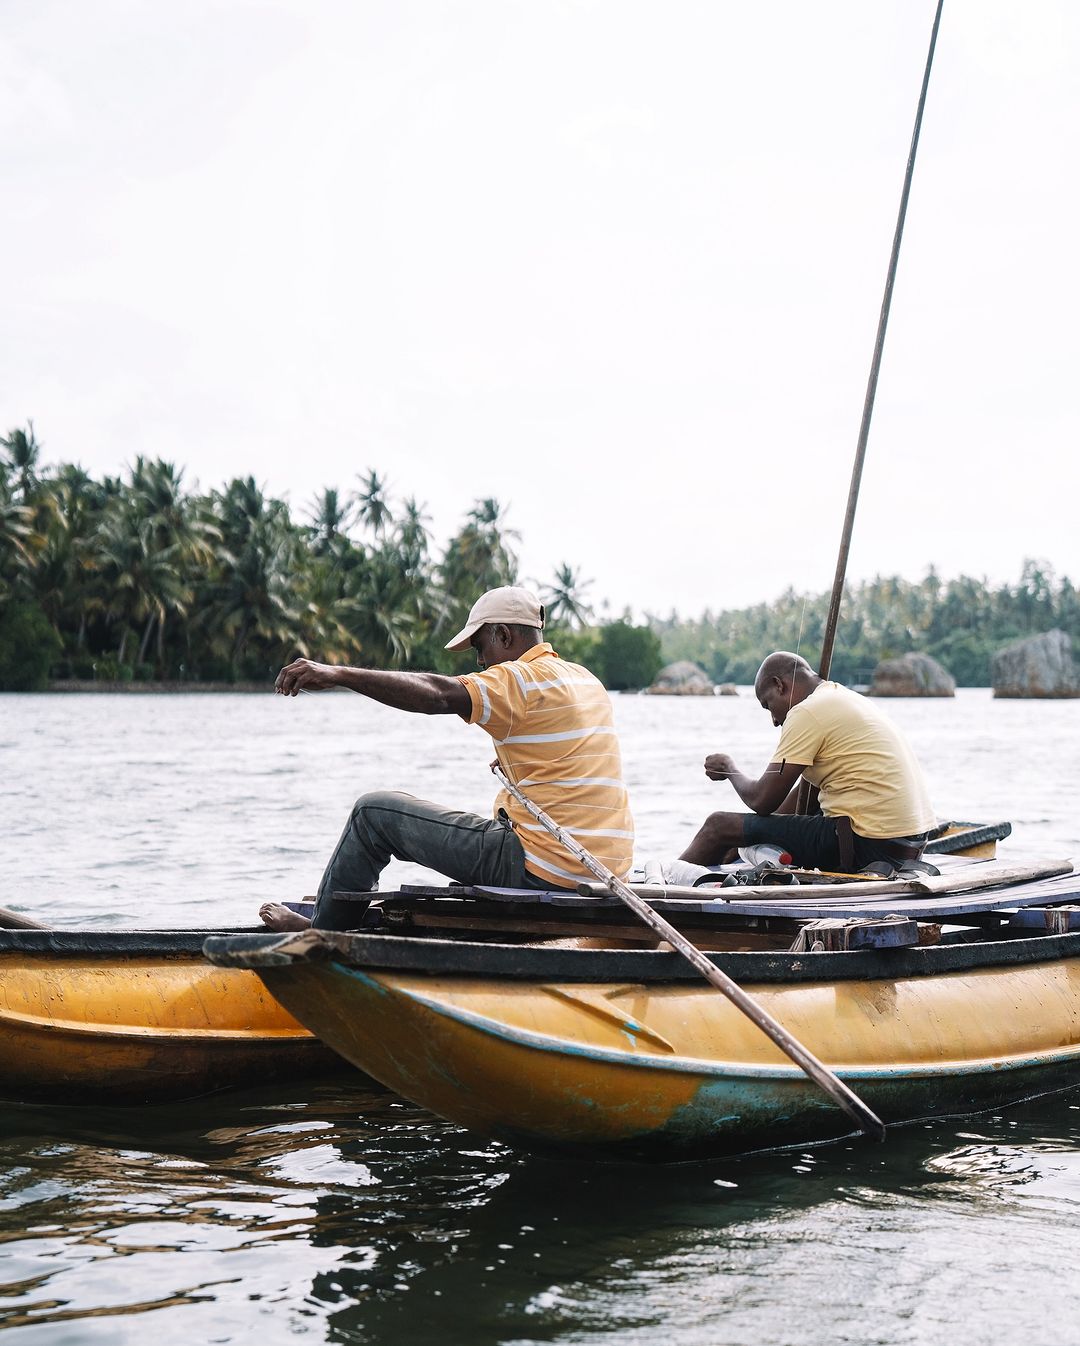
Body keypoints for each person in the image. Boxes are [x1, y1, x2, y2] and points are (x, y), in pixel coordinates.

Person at [258, 585, 634, 930]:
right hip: (605, 870)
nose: (482, 661)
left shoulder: (517, 679)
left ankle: (322, 932)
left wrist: (340, 674)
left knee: (373, 814)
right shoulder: (585, 680)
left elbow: (438, 694)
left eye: (480, 648)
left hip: (543, 867)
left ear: (503, 635)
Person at [677, 650, 936, 874]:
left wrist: (730, 770)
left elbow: (762, 800)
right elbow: (801, 796)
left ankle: (659, 892)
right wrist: (743, 836)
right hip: (907, 848)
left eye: (768, 705)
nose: (774, 721)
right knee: (734, 831)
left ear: (780, 685)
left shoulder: (807, 711)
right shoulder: (841, 697)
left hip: (868, 847)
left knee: (717, 825)